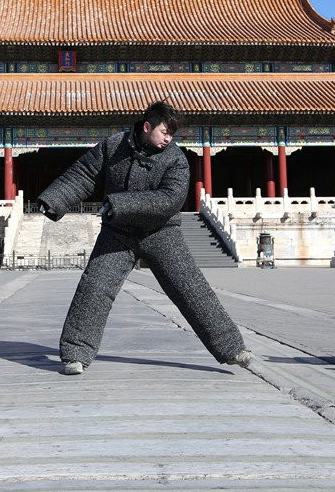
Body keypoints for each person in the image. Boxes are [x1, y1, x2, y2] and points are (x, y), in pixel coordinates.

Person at [37, 101, 254, 375]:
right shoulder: (113, 146)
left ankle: (232, 349)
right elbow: (84, 174)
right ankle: (75, 355)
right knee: (94, 288)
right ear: (147, 126)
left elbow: (169, 199)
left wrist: (120, 204)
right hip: (118, 233)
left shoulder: (176, 159)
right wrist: (55, 200)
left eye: (172, 134)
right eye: (165, 131)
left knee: (191, 290)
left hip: (162, 233)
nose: (169, 138)